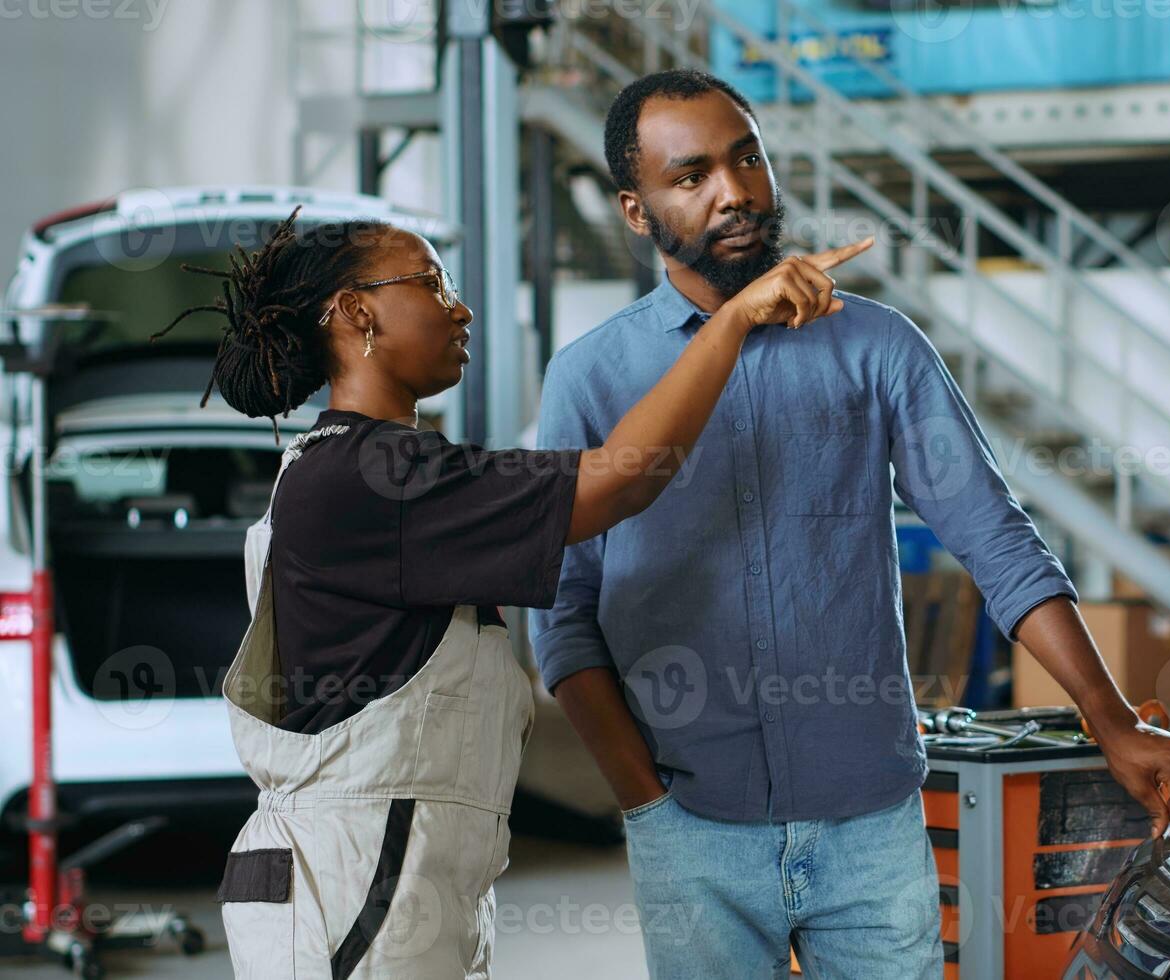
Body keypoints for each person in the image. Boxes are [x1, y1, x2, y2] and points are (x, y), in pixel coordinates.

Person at [531, 68, 1170, 979]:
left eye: (747, 159)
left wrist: (1111, 717)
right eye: (691, 177)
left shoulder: (876, 346)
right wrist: (644, 801)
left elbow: (995, 540)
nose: (733, 191)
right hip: (694, 826)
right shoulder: (592, 378)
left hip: (871, 824)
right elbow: (562, 612)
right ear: (636, 210)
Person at [155, 207, 869, 978]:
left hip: (398, 877)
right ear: (357, 312)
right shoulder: (365, 480)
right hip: (355, 884)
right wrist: (730, 324)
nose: (457, 306)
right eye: (430, 283)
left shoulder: (368, 470)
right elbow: (620, 478)